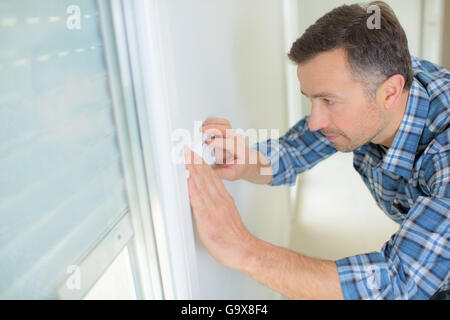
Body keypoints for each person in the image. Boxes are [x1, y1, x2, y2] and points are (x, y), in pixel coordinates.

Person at [183, 1, 449, 300]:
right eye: (312, 100)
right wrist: (247, 161)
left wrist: (243, 249)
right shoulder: (382, 81)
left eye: (329, 101)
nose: (315, 121)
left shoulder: (444, 155)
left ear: (390, 92)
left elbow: (396, 284)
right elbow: (296, 150)